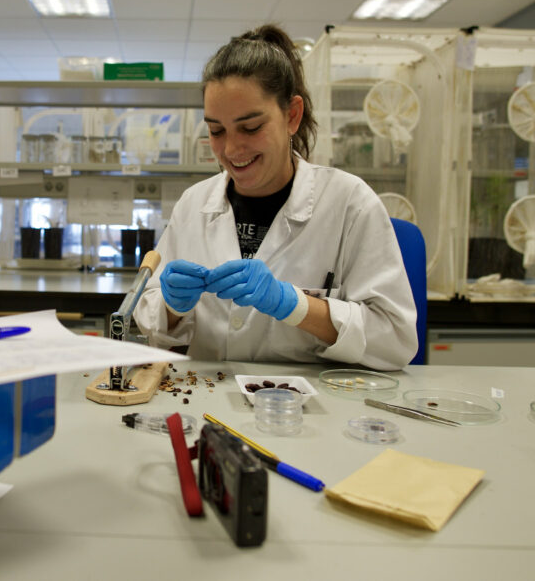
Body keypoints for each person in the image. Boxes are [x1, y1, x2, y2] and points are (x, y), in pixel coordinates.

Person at [133, 24, 416, 371]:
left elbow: (395, 340)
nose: (232, 149)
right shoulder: (194, 205)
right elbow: (153, 325)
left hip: (309, 410)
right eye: (216, 130)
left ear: (292, 116)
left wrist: (294, 305)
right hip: (209, 403)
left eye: (251, 127)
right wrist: (173, 307)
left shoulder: (350, 203)